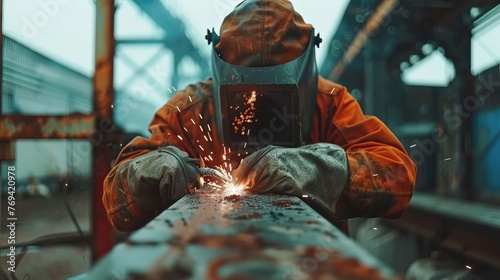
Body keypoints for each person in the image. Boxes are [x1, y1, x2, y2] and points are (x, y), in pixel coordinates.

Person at [103, 0, 417, 232]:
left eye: (273, 94)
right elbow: (117, 205)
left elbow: (398, 178)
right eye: (244, 94)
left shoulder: (329, 103)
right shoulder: (190, 109)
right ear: (223, 72)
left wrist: (313, 169)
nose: (255, 109)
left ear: (302, 75)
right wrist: (154, 171)